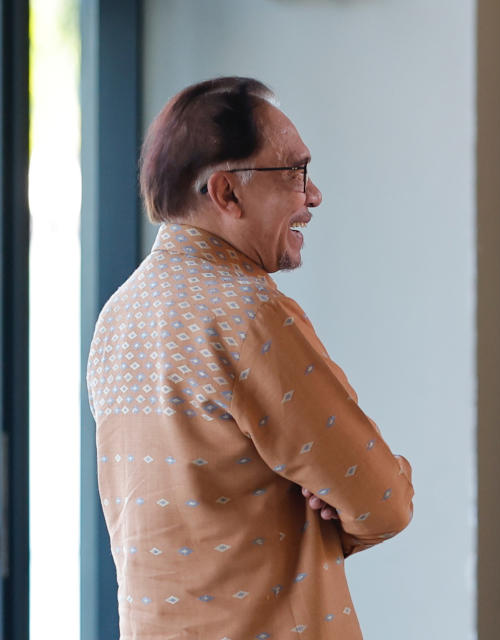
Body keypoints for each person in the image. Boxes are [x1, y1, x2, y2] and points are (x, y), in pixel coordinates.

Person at [87, 77, 414, 639]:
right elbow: (384, 499)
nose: (312, 196)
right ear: (225, 193)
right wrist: (333, 505)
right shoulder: (249, 315)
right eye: (294, 172)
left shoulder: (117, 318)